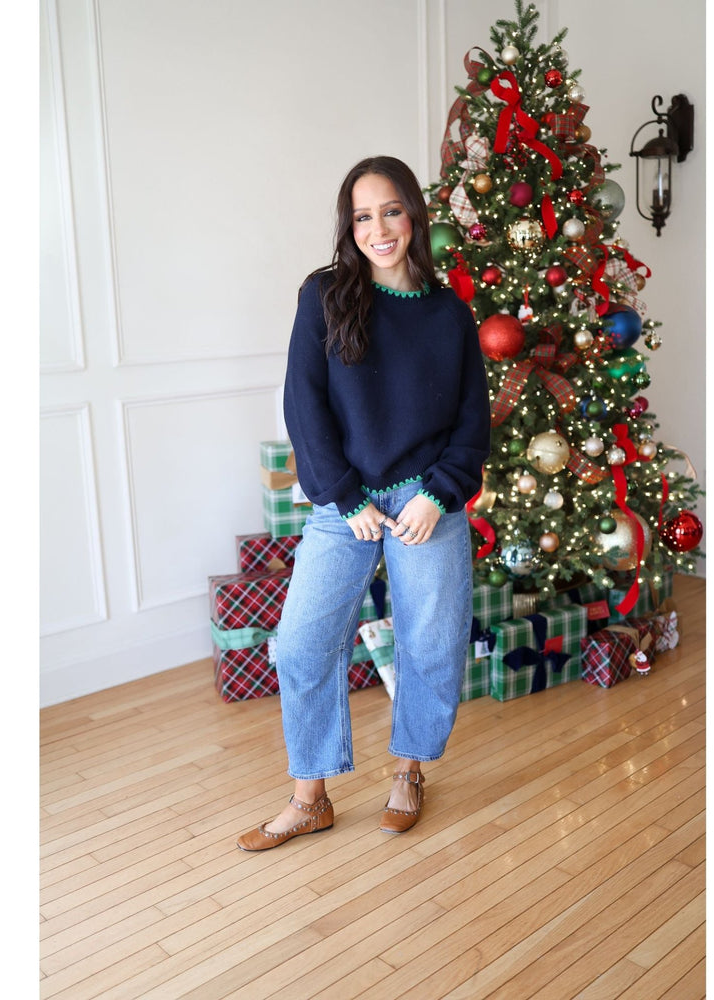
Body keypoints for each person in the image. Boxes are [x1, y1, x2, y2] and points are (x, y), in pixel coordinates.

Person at [236, 155, 491, 852]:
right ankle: (309, 796)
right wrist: (346, 498)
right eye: (363, 215)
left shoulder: (449, 314)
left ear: (414, 216)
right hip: (345, 501)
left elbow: (473, 421)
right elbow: (304, 405)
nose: (378, 227)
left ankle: (409, 771)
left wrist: (440, 494)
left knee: (431, 641)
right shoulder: (323, 296)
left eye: (391, 211)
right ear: (350, 226)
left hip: (426, 501)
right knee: (303, 642)